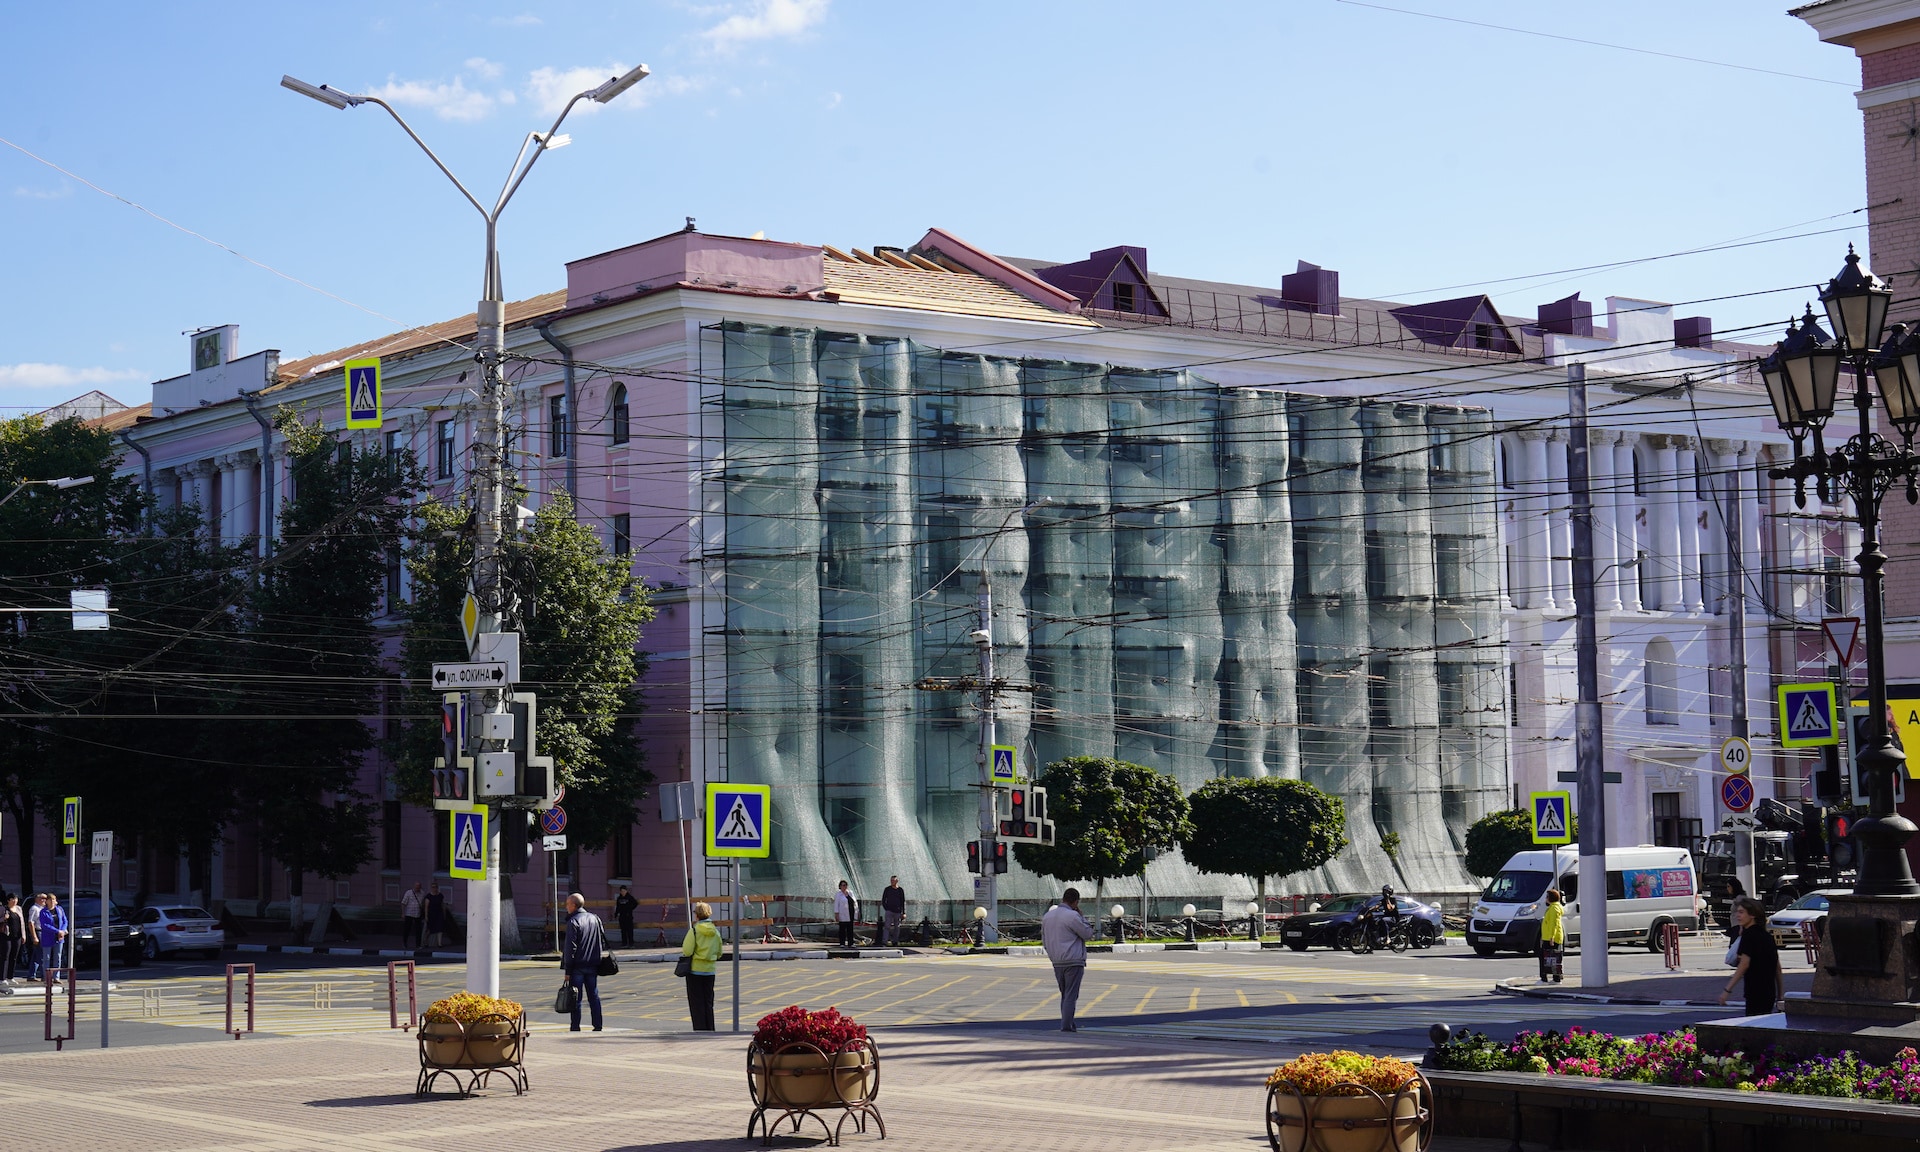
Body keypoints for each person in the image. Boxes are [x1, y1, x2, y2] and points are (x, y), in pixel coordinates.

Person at [1718, 895, 1782, 1018]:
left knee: (1753, 1024)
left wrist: (1727, 990)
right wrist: (1780, 994)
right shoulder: (1767, 936)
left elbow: (1744, 965)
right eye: (1737, 912)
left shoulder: (1748, 936)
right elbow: (1777, 968)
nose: (1738, 915)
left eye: (1741, 912)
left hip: (1754, 990)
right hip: (1769, 991)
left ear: (1752, 915)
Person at [1041, 887, 1094, 1032]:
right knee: (1071, 994)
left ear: (1063, 899)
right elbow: (1087, 933)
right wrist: (1082, 916)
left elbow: (1044, 941)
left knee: (1065, 994)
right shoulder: (1072, 916)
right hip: (1073, 960)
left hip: (1057, 961)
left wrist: (1052, 955)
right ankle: (1066, 1025)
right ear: (1075, 902)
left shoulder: (1047, 916)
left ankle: (1068, 1022)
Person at [562, 892, 607, 1032]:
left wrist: (568, 970)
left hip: (577, 966)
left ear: (574, 905)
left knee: (576, 998)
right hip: (593, 964)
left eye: (567, 904)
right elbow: (601, 940)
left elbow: (570, 948)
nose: (566, 907)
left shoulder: (573, 921)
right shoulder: (595, 918)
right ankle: (598, 1025)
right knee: (594, 996)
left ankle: (575, 1026)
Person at [681, 901, 723, 1031]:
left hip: (695, 970)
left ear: (697, 915)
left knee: (696, 1004)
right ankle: (710, 1028)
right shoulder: (715, 932)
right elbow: (719, 952)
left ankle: (699, 1029)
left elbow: (687, 951)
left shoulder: (694, 931)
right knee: (708, 1003)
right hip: (710, 971)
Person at [1538, 889, 1565, 983]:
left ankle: (1544, 979)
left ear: (1551, 898)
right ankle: (1556, 978)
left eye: (1547, 897)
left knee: (1544, 957)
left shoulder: (1554, 908)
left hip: (1551, 938)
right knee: (1553, 958)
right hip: (1549, 937)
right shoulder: (1553, 907)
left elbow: (1553, 923)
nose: (1546, 899)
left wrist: (1551, 937)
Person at [38, 893, 67, 977]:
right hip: (48, 937)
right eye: (50, 900)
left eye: (54, 899)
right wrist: (57, 931)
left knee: (58, 957)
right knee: (46, 958)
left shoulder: (60, 909)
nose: (52, 901)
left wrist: (62, 931)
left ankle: (56, 977)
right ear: (46, 901)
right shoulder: (43, 912)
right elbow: (45, 925)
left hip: (59, 937)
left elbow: (64, 921)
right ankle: (47, 977)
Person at [19, 894, 40, 980]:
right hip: (38, 931)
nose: (44, 900)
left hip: (45, 932)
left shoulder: (43, 908)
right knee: (39, 954)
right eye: (41, 898)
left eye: (45, 898)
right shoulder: (34, 908)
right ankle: (35, 975)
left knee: (38, 954)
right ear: (36, 899)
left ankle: (32, 974)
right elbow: (31, 922)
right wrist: (34, 936)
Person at [880, 876, 905, 947]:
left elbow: (903, 901)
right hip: (889, 911)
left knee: (897, 927)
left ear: (897, 881)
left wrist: (903, 912)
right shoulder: (887, 889)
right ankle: (884, 942)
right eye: (891, 880)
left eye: (893, 880)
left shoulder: (900, 890)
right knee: (887, 926)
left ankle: (895, 941)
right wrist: (886, 908)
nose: (892, 882)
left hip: (897, 911)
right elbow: (883, 900)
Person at [1, 894, 21, 984]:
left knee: (14, 956)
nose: (15, 901)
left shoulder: (18, 909)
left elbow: (22, 922)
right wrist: (4, 918)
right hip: (6, 935)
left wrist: (23, 935)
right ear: (8, 900)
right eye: (13, 899)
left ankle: (10, 976)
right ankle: (2, 978)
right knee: (5, 956)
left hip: (17, 936)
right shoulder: (4, 909)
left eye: (16, 899)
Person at [399, 882, 424, 951]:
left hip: (417, 914)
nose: (417, 888)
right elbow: (403, 903)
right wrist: (403, 913)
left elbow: (422, 903)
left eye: (419, 887)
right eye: (416, 886)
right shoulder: (408, 893)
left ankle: (418, 944)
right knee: (407, 929)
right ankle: (404, 943)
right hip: (409, 914)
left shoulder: (422, 893)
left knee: (418, 930)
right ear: (414, 886)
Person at [833, 880, 857, 948]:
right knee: (842, 928)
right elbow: (836, 904)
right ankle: (842, 943)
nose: (844, 887)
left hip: (850, 912)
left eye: (845, 885)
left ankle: (850, 943)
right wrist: (836, 913)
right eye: (843, 885)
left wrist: (856, 911)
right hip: (842, 913)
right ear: (840, 886)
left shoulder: (850, 893)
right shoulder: (838, 894)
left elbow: (854, 902)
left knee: (850, 928)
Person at [424, 881, 446, 949]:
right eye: (433, 887)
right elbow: (426, 907)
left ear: (437, 888)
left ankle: (439, 943)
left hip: (439, 914)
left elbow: (442, 905)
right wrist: (426, 916)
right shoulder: (428, 896)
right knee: (430, 929)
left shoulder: (440, 895)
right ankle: (425, 941)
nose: (434, 888)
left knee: (440, 928)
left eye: (435, 887)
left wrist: (444, 914)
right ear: (431, 888)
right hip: (431, 915)